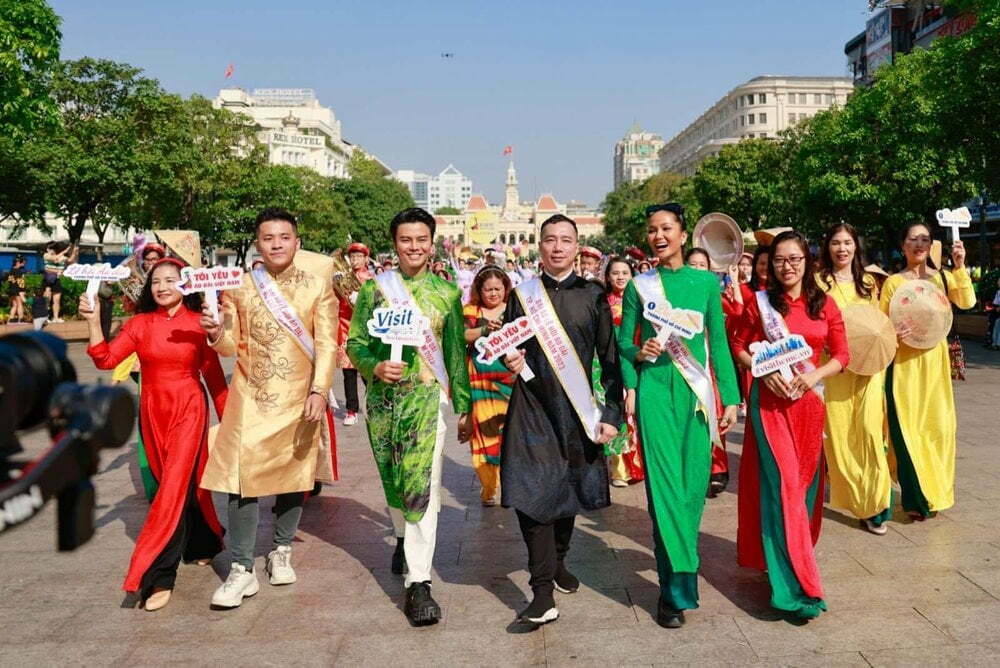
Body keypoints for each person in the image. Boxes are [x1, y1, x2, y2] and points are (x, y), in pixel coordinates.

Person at [200, 207, 337, 608]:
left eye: (284, 237)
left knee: (293, 474)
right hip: (250, 397)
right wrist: (216, 331)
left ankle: (281, 549)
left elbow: (327, 343)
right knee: (239, 479)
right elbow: (230, 345)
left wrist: (319, 390)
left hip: (299, 396)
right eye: (268, 238)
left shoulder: (317, 286)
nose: (276, 244)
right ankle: (242, 568)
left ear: (297, 242)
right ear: (257, 244)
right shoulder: (240, 287)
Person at [347, 207, 472, 626]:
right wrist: (374, 366)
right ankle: (402, 537)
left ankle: (419, 582)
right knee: (394, 479)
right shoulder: (374, 291)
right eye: (406, 240)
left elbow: (454, 352)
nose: (414, 247)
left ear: (432, 244)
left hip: (425, 402)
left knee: (421, 485)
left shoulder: (446, 293)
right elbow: (356, 343)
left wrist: (464, 406)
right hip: (383, 403)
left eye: (421, 240)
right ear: (394, 244)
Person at [80, 257, 229, 611]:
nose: (162, 287)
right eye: (156, 281)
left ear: (185, 285)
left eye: (170, 280)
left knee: (171, 490)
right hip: (152, 412)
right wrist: (93, 322)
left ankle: (157, 575)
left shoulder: (199, 323)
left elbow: (214, 379)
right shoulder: (139, 324)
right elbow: (105, 359)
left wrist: (232, 424)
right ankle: (204, 544)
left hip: (189, 410)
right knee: (181, 482)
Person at [618, 207, 739, 628]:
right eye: (652, 230)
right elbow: (623, 344)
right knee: (664, 489)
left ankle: (680, 569)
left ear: (684, 234)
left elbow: (718, 343)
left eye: (666, 228)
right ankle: (673, 592)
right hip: (655, 392)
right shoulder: (639, 287)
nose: (658, 236)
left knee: (691, 490)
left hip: (695, 396)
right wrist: (639, 356)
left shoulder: (705, 283)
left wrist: (731, 397)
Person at [501, 214, 623, 627]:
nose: (557, 247)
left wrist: (612, 414)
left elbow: (610, 360)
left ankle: (558, 561)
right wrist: (509, 358)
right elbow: (507, 344)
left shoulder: (593, 296)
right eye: (550, 239)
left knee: (567, 489)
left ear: (576, 246)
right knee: (530, 492)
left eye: (565, 240)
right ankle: (541, 592)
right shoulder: (523, 295)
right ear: (539, 246)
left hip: (575, 409)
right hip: (531, 406)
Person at [732, 230, 849, 620]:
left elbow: (842, 355)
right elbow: (738, 346)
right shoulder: (761, 304)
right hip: (769, 407)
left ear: (807, 261)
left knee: (804, 491)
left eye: (794, 259)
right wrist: (762, 371)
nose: (787, 266)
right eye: (779, 260)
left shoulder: (825, 305)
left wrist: (815, 376)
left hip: (809, 407)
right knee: (783, 487)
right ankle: (795, 587)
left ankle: (790, 558)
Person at [880, 222, 975, 521]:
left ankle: (935, 492)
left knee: (938, 430)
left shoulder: (943, 278)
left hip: (935, 367)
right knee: (907, 431)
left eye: (925, 239)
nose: (919, 244)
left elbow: (967, 302)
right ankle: (915, 499)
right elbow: (882, 328)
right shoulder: (893, 283)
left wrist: (960, 266)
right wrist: (894, 333)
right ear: (903, 246)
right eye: (913, 239)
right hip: (904, 369)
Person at [816, 223, 891, 534]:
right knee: (841, 436)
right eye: (836, 243)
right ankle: (858, 500)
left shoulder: (870, 283)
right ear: (828, 247)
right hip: (835, 370)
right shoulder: (818, 282)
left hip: (869, 368)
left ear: (856, 246)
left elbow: (880, 322)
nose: (842, 248)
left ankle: (877, 504)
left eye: (847, 242)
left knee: (871, 432)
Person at [463, 265, 516, 506]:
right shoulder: (471, 310)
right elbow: (461, 335)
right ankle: (488, 487)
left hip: (510, 381)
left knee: (510, 435)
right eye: (488, 290)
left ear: (506, 288)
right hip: (480, 382)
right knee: (484, 434)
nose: (493, 294)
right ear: (479, 290)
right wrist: (484, 329)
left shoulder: (514, 309)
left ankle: (510, 485)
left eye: (498, 289)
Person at [685, 246, 732, 498]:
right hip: (685, 366)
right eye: (692, 264)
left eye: (702, 265)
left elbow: (734, 316)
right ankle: (696, 471)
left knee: (714, 415)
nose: (697, 269)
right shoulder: (675, 296)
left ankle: (717, 468)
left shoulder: (716, 295)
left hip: (709, 368)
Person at [603, 257, 643, 487]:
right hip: (609, 363)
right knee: (616, 412)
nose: (620, 277)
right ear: (608, 277)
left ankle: (638, 465)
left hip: (636, 359)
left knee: (635, 415)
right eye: (615, 273)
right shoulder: (602, 303)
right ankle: (619, 470)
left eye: (625, 273)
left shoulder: (641, 300)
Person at [337, 242, 373, 427]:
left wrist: (362, 299)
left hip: (364, 330)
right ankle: (351, 410)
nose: (355, 260)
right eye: (352, 257)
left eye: (359, 256)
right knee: (348, 372)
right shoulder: (344, 277)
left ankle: (372, 404)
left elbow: (378, 302)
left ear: (366, 259)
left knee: (367, 371)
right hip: (345, 328)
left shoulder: (371, 279)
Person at [42, 241, 78, 323]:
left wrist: (74, 252)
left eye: (52, 248)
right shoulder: (46, 255)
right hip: (48, 279)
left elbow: (70, 260)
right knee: (47, 299)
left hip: (56, 280)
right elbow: (54, 259)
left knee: (57, 300)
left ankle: (55, 318)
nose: (50, 250)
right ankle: (44, 317)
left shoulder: (61, 257)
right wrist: (65, 251)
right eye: (49, 248)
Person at [4, 254, 27, 324]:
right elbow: (21, 283)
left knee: (14, 305)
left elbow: (10, 281)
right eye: (22, 262)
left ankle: (11, 319)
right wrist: (22, 291)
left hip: (11, 290)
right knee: (20, 304)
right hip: (17, 290)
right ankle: (21, 319)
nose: (23, 264)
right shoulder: (19, 272)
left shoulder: (11, 271)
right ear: (18, 263)